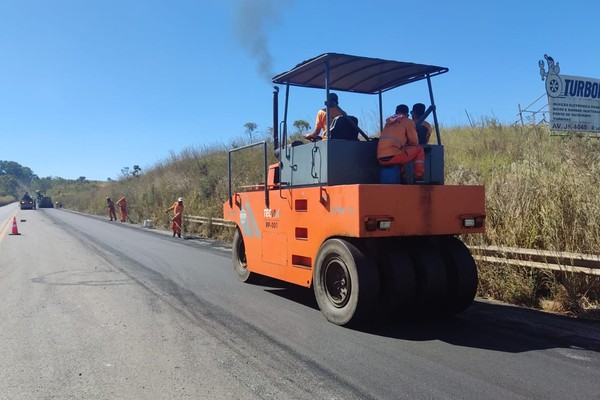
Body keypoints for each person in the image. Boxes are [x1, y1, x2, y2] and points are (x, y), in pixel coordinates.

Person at [377, 104, 425, 181]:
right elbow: (414, 141)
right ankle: (419, 177)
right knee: (419, 149)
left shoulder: (388, 122)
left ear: (396, 112)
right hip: (393, 157)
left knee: (401, 152)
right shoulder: (408, 122)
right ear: (407, 114)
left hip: (380, 158)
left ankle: (403, 178)